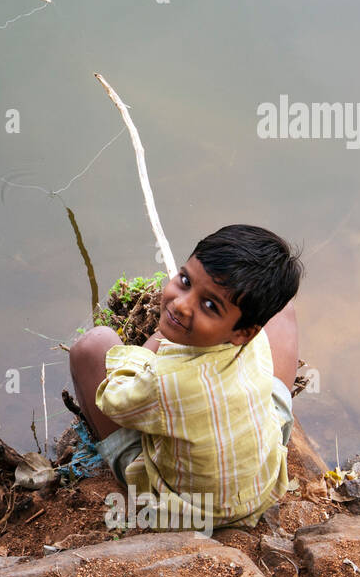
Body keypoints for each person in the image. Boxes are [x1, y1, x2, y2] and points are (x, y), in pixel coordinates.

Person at [68, 224, 303, 531]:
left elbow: (114, 401)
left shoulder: (164, 382)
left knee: (92, 345)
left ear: (243, 333)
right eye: (185, 280)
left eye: (209, 305)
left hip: (190, 511)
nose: (181, 303)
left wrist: (156, 341)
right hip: (261, 489)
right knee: (281, 309)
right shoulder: (248, 335)